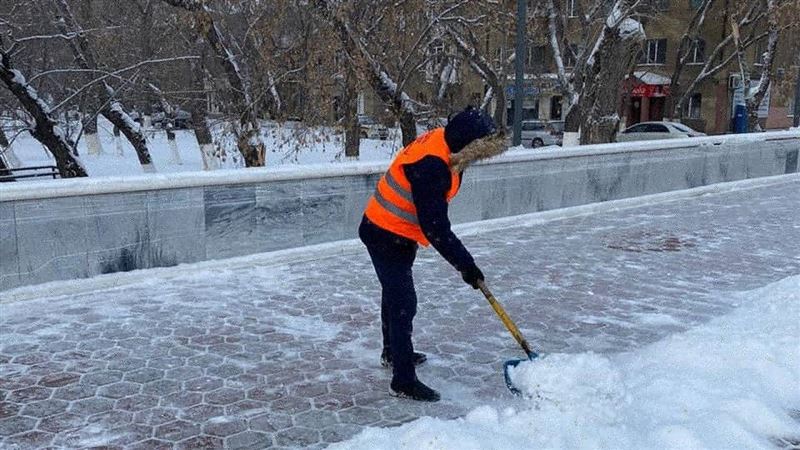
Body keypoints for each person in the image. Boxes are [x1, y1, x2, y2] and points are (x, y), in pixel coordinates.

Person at [359, 106, 498, 402]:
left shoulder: (442, 141)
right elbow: (436, 228)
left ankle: (393, 353)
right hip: (385, 234)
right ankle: (403, 381)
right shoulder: (432, 166)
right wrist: (467, 266)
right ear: (467, 145)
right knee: (404, 303)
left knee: (394, 296)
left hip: (394, 231)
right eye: (479, 150)